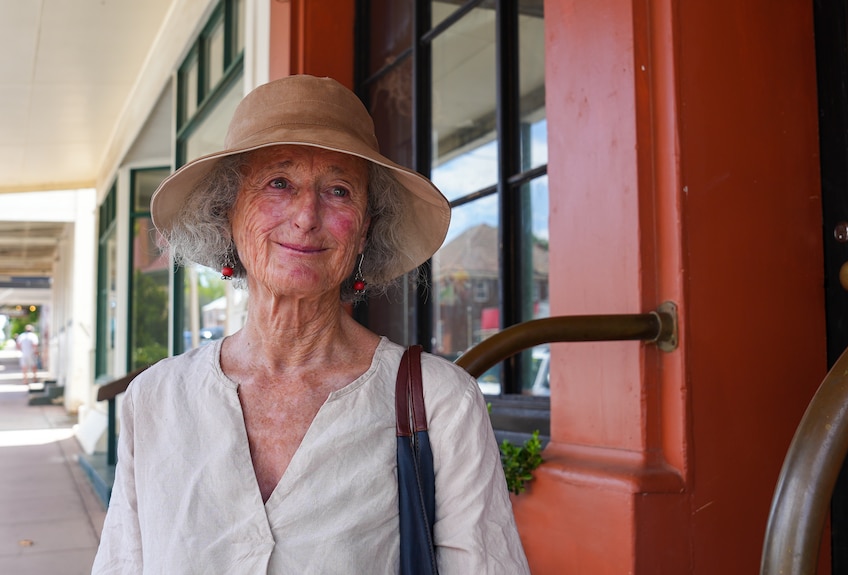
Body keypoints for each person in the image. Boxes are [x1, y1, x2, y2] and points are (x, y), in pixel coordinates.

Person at [92, 75, 530, 574]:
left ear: (365, 230)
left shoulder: (441, 401)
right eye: (279, 183)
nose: (306, 217)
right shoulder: (156, 399)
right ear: (227, 212)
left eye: (339, 191)